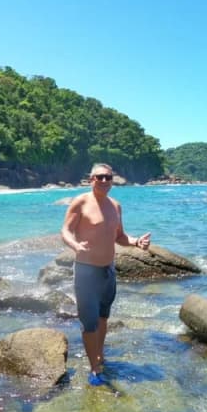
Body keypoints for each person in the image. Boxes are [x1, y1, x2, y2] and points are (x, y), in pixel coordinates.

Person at [61, 163, 151, 386]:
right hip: (86, 271)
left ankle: (99, 355)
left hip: (108, 271)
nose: (103, 181)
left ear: (112, 180)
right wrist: (75, 245)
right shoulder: (80, 202)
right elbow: (65, 231)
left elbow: (119, 236)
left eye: (107, 177)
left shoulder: (115, 206)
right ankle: (94, 368)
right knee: (89, 322)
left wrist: (136, 242)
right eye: (99, 177)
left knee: (103, 317)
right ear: (91, 179)